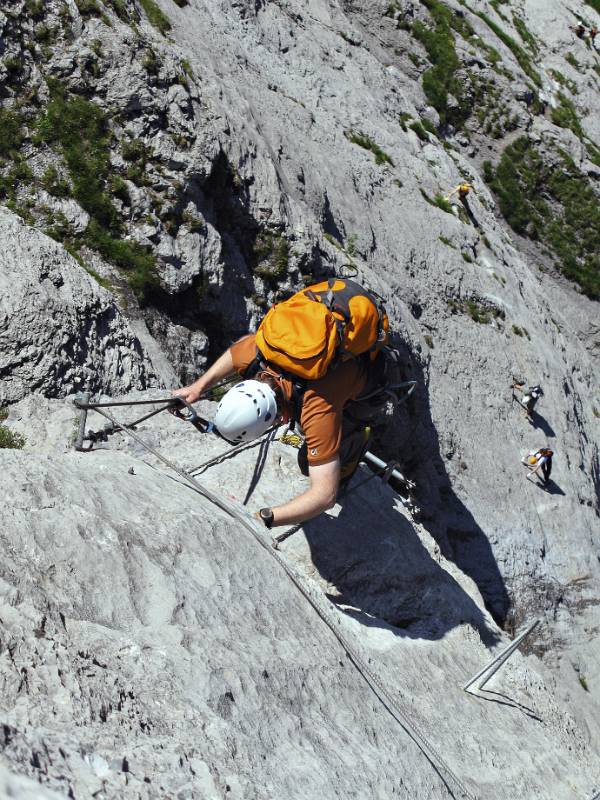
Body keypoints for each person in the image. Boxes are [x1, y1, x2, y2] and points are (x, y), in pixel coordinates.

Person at [173, 280, 399, 529]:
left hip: (369, 373)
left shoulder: (317, 405)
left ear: (276, 418)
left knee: (313, 460)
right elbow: (236, 351)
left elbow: (325, 496)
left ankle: (357, 439)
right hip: (335, 307)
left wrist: (265, 518)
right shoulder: (260, 353)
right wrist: (197, 388)